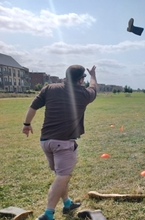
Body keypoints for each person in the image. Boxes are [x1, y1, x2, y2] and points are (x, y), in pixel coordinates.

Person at [22, 65, 98, 220]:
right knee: (63, 176)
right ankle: (48, 213)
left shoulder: (50, 88)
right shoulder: (83, 93)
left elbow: (33, 106)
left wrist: (27, 124)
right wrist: (93, 75)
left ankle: (67, 203)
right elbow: (94, 86)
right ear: (80, 79)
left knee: (60, 174)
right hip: (63, 144)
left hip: (46, 142)